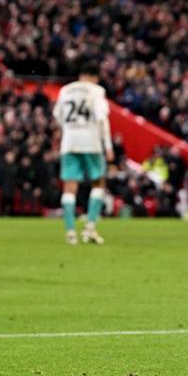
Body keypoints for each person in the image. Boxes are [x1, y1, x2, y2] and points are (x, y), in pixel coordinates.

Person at [53, 60, 113, 245]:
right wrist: (108, 146)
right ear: (94, 77)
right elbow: (102, 118)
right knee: (98, 182)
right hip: (91, 141)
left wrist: (69, 130)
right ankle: (90, 228)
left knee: (70, 185)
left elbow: (57, 115)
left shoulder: (65, 90)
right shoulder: (96, 91)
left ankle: (70, 232)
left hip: (69, 142)